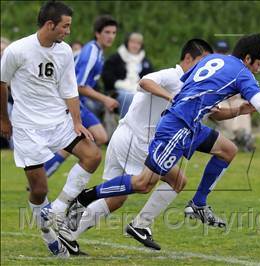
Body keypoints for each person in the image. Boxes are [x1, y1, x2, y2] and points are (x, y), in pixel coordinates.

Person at [67, 34, 260, 245]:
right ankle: (86, 197)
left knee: (228, 150)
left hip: (190, 124)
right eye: (259, 64)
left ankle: (198, 204)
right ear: (249, 58)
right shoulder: (241, 72)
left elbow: (199, 99)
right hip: (177, 126)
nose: (259, 69)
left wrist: (238, 111)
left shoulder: (213, 61)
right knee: (142, 184)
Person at [60, 39, 228, 252]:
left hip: (126, 136)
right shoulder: (172, 75)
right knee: (176, 180)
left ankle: (68, 233)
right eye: (202, 62)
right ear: (188, 58)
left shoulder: (191, 85)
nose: (204, 69)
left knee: (116, 198)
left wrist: (239, 110)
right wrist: (171, 97)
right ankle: (138, 223)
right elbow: (144, 81)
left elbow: (215, 111)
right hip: (137, 141)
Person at [0, 1, 101, 257]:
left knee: (93, 155)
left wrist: (77, 122)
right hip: (27, 128)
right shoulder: (17, 50)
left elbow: (69, 88)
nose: (68, 31)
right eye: (65, 26)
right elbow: (2, 84)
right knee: (39, 189)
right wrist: (3, 119)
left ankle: (58, 208)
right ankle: (48, 235)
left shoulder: (64, 51)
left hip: (58, 122)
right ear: (49, 25)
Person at [43, 15, 119, 178]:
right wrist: (105, 99)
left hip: (76, 99)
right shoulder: (91, 51)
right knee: (98, 136)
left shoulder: (97, 51)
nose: (111, 36)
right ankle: (51, 174)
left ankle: (45, 171)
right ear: (97, 33)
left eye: (113, 33)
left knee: (90, 138)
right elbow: (79, 86)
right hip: (70, 100)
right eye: (107, 32)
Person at [213, 40, 255, 152]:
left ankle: (243, 135)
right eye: (219, 52)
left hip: (234, 98)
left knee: (242, 104)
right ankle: (233, 138)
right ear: (214, 52)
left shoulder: (235, 67)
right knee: (222, 107)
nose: (222, 55)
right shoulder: (210, 67)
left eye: (224, 52)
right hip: (216, 100)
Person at [102, 32, 153, 118]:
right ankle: (126, 124)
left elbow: (150, 77)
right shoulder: (116, 58)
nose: (135, 45)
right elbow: (107, 76)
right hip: (117, 91)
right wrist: (120, 84)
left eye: (138, 43)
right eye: (132, 42)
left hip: (138, 89)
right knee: (128, 97)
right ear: (127, 43)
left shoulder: (145, 61)